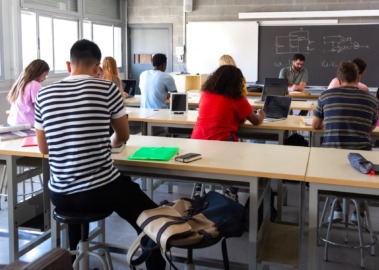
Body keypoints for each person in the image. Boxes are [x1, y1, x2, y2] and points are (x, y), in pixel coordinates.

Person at [34, 39, 166, 269]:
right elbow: (122, 135)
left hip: (60, 193)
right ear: (97, 68)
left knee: (81, 195)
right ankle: (154, 259)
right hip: (98, 190)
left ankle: (74, 259)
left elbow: (44, 149)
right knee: (147, 211)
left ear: (68, 64)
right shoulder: (107, 88)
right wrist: (108, 141)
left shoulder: (44, 94)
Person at [312, 61, 379, 222]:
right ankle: (358, 211)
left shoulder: (325, 96)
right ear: (358, 78)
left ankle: (336, 209)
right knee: (363, 175)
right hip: (361, 156)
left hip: (332, 153)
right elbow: (371, 127)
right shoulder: (372, 100)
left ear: (339, 79)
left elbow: (315, 125)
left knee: (328, 169)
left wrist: (330, 122)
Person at [191, 65, 265, 200]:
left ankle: (198, 185)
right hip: (221, 143)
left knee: (205, 158)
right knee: (245, 159)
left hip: (197, 141)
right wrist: (262, 115)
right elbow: (255, 121)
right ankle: (231, 191)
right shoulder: (236, 98)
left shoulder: (205, 94)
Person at [6, 59, 49, 127]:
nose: (45, 78)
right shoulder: (35, 84)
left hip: (12, 122)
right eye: (45, 75)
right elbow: (38, 106)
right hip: (27, 124)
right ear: (38, 72)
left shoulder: (20, 83)